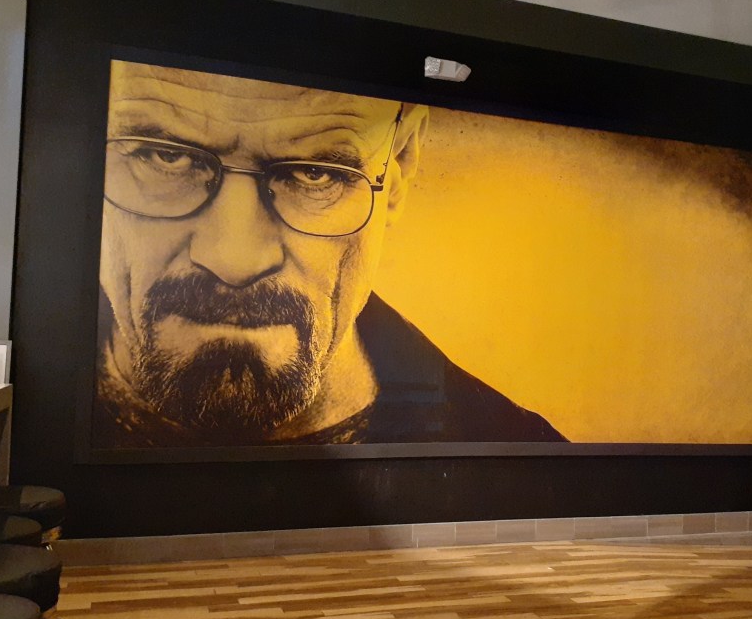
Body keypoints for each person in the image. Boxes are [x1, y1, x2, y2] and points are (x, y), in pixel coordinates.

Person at [93, 60, 566, 447]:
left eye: (316, 174)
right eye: (166, 156)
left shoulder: (520, 460)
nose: (234, 261)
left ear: (399, 165)